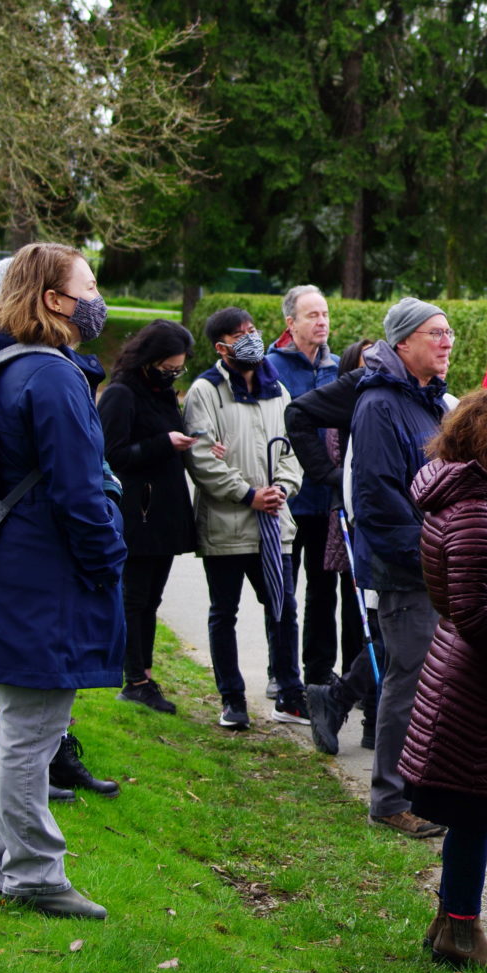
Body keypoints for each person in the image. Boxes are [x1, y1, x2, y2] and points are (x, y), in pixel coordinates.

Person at [0, 245, 125, 920]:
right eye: (87, 285)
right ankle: (32, 872)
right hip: (44, 575)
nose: (95, 298)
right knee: (32, 730)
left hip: (11, 568)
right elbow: (79, 490)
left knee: (15, 725)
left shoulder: (2, 362)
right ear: (54, 299)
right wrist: (108, 556)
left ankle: (9, 863)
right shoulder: (51, 377)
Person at [397, 390, 487, 973]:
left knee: (469, 811)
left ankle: (450, 922)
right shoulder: (477, 517)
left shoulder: (467, 501)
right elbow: (476, 614)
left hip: (467, 674)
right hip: (477, 685)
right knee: (476, 809)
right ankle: (461, 930)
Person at [350, 299, 458, 837]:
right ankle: (391, 799)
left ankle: (423, 790)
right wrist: (434, 551)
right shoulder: (380, 405)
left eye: (449, 332)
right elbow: (377, 500)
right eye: (435, 333)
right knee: (410, 682)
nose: (446, 341)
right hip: (408, 572)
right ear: (403, 343)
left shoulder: (428, 401)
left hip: (439, 565)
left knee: (437, 687)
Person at [183, 308, 304, 730]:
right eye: (240, 335)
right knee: (224, 613)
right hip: (226, 526)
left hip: (274, 526)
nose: (251, 338)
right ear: (221, 347)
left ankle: (290, 693)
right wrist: (248, 494)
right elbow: (202, 458)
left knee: (283, 609)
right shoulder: (205, 390)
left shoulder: (278, 389)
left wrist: (282, 490)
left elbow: (291, 450)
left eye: (253, 330)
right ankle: (232, 699)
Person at [97, 319, 199, 715]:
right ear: (150, 359)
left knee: (151, 599)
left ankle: (145, 673)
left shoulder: (162, 393)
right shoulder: (122, 394)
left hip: (165, 512)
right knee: (135, 597)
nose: (173, 373)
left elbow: (171, 435)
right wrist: (163, 443)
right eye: (169, 366)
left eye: (179, 368)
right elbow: (111, 455)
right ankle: (133, 679)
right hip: (137, 512)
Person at [287, 337, 379, 755]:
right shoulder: (352, 394)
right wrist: (332, 476)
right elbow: (300, 417)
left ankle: (359, 708)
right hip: (347, 519)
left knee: (380, 622)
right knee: (371, 617)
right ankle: (337, 693)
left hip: (378, 516)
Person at [264, 285, 355, 698]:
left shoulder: (339, 368)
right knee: (281, 591)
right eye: (312, 315)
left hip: (325, 499)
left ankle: (318, 672)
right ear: (291, 323)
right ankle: (280, 671)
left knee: (323, 590)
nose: (321, 322)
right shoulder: (271, 367)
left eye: (325, 314)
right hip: (286, 498)